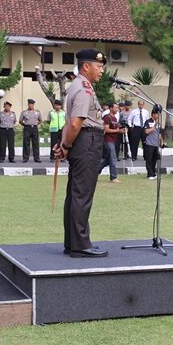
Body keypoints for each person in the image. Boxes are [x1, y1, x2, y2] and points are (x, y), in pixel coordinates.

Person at [53, 48, 108, 258]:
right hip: (87, 143)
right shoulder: (84, 88)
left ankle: (72, 242)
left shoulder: (76, 86)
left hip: (82, 142)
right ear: (87, 66)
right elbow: (76, 123)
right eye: (99, 66)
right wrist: (66, 145)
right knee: (82, 194)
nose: (101, 70)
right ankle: (81, 244)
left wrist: (64, 144)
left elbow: (70, 122)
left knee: (75, 194)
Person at [99, 102, 125, 183]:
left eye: (117, 108)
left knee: (107, 160)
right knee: (113, 158)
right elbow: (106, 129)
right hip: (108, 140)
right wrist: (117, 130)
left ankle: (94, 172)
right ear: (111, 108)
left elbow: (116, 129)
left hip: (114, 140)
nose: (117, 109)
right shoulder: (107, 117)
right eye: (115, 108)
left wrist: (122, 130)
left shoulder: (114, 118)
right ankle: (113, 177)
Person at [144, 108, 162, 180]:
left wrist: (161, 141)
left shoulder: (159, 123)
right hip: (149, 143)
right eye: (157, 114)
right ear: (153, 114)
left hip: (156, 144)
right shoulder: (148, 122)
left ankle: (153, 173)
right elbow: (147, 131)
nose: (158, 115)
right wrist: (154, 126)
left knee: (155, 159)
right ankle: (149, 174)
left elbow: (159, 133)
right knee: (149, 159)